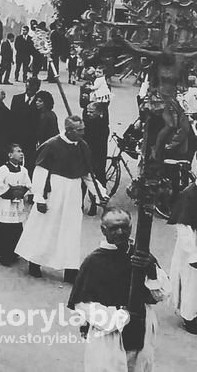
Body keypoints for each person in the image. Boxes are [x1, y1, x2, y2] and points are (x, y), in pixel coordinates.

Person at [68, 208, 170, 372]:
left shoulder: (140, 254)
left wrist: (150, 269)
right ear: (103, 230)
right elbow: (83, 305)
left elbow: (161, 295)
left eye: (125, 227)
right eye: (114, 228)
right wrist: (121, 317)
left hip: (141, 330)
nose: (120, 232)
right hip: (110, 336)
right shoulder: (94, 262)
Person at [15, 116, 108, 282]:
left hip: (73, 192)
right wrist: (39, 198)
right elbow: (40, 172)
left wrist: (100, 193)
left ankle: (70, 268)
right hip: (54, 191)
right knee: (46, 228)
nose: (83, 132)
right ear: (69, 130)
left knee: (71, 230)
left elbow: (87, 174)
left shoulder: (83, 146)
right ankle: (35, 262)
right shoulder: (51, 145)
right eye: (80, 130)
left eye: (83, 129)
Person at [0, 144, 32, 266]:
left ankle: (13, 252)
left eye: (22, 151)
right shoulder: (1, 170)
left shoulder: (24, 170)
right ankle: (4, 254)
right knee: (4, 228)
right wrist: (12, 192)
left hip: (16, 205)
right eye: (18, 151)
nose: (21, 153)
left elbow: (28, 185)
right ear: (10, 155)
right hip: (5, 204)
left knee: (16, 227)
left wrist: (21, 191)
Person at [168, 177, 197, 334]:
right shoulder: (189, 194)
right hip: (193, 244)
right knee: (191, 282)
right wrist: (193, 254)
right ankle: (189, 317)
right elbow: (183, 227)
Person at [83, 101, 110, 215]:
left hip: (97, 157)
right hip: (85, 156)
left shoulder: (102, 127)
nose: (88, 114)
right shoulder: (86, 123)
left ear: (99, 113)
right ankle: (80, 204)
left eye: (91, 112)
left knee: (95, 182)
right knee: (83, 182)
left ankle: (95, 204)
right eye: (87, 111)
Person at [9, 77, 41, 173]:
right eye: (27, 87)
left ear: (37, 89)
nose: (29, 90)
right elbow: (12, 118)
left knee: (30, 162)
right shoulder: (17, 99)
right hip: (17, 136)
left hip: (30, 139)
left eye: (31, 88)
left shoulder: (38, 103)